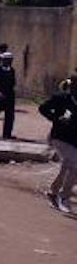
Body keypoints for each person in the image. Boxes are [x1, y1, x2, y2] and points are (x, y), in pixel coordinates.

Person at [39, 76, 77, 213]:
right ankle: (64, 197)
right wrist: (56, 119)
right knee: (73, 165)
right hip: (60, 137)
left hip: (74, 140)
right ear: (72, 86)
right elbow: (43, 108)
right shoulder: (60, 98)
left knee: (67, 167)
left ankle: (53, 192)